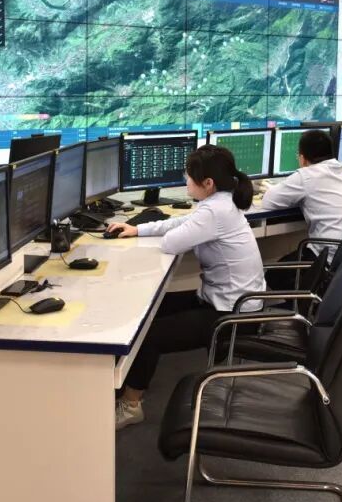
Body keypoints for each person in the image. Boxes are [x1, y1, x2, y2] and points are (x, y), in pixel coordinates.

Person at [105, 144, 265, 430]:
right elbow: (183, 222)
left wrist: (162, 231)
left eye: (189, 176)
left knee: (147, 335)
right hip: (228, 300)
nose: (185, 180)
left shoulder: (215, 211)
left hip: (232, 315)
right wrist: (138, 229)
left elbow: (172, 242)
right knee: (146, 311)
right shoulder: (219, 202)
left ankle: (130, 406)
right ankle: (123, 385)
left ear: (208, 183)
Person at [255, 129, 342, 290]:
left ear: (302, 158)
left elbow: (268, 202)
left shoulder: (306, 176)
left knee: (274, 275)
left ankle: (305, 301)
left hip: (328, 257)